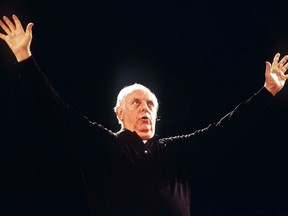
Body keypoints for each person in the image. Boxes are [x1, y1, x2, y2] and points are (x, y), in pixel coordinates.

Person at [0, 14, 287, 216]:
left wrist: (267, 92)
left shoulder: (176, 151)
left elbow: (226, 129)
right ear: (119, 112)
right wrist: (25, 59)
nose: (145, 109)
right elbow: (54, 109)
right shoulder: (102, 146)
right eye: (136, 103)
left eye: (150, 104)